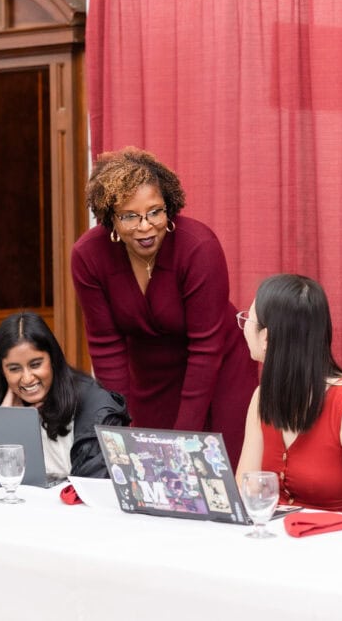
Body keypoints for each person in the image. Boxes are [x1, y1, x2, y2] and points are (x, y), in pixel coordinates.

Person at [71, 146, 256, 465]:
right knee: (148, 466)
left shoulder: (199, 248)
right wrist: (120, 427)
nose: (145, 226)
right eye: (130, 216)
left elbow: (205, 348)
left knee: (214, 470)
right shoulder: (88, 257)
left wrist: (184, 441)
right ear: (110, 218)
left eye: (155, 211)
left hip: (220, 367)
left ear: (169, 207)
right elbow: (106, 348)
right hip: (150, 377)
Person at [234, 274, 342, 516]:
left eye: (248, 320)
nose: (243, 328)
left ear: (266, 338)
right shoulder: (262, 398)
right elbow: (246, 498)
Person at [0, 311, 130, 478]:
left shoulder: (98, 410)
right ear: (2, 371)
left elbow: (98, 484)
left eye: (35, 364)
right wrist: (6, 428)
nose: (27, 378)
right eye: (14, 369)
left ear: (53, 359)